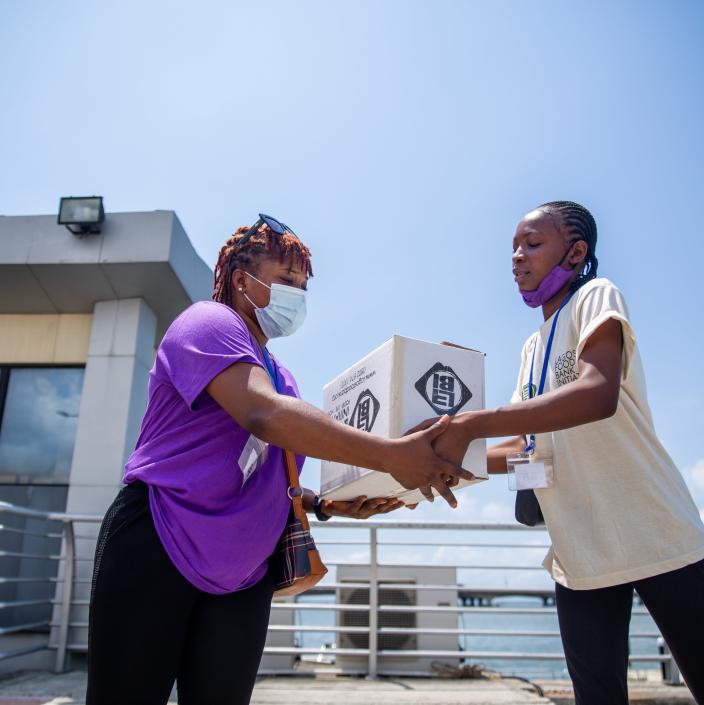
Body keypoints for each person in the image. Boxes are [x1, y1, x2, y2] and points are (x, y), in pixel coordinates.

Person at [86, 213, 471, 705]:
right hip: (161, 542)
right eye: (287, 280)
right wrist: (395, 455)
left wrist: (329, 503)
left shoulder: (282, 376)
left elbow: (263, 470)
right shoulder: (208, 323)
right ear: (242, 280)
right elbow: (262, 415)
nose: (298, 296)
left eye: (304, 286)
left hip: (244, 574)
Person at [410, 201, 704, 704]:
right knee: (596, 696)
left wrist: (474, 422)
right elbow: (527, 446)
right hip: (581, 548)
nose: (517, 257)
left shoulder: (596, 297)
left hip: (656, 532)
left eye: (532, 243)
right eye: (513, 248)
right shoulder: (531, 348)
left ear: (576, 251)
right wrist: (442, 459)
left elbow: (597, 392)